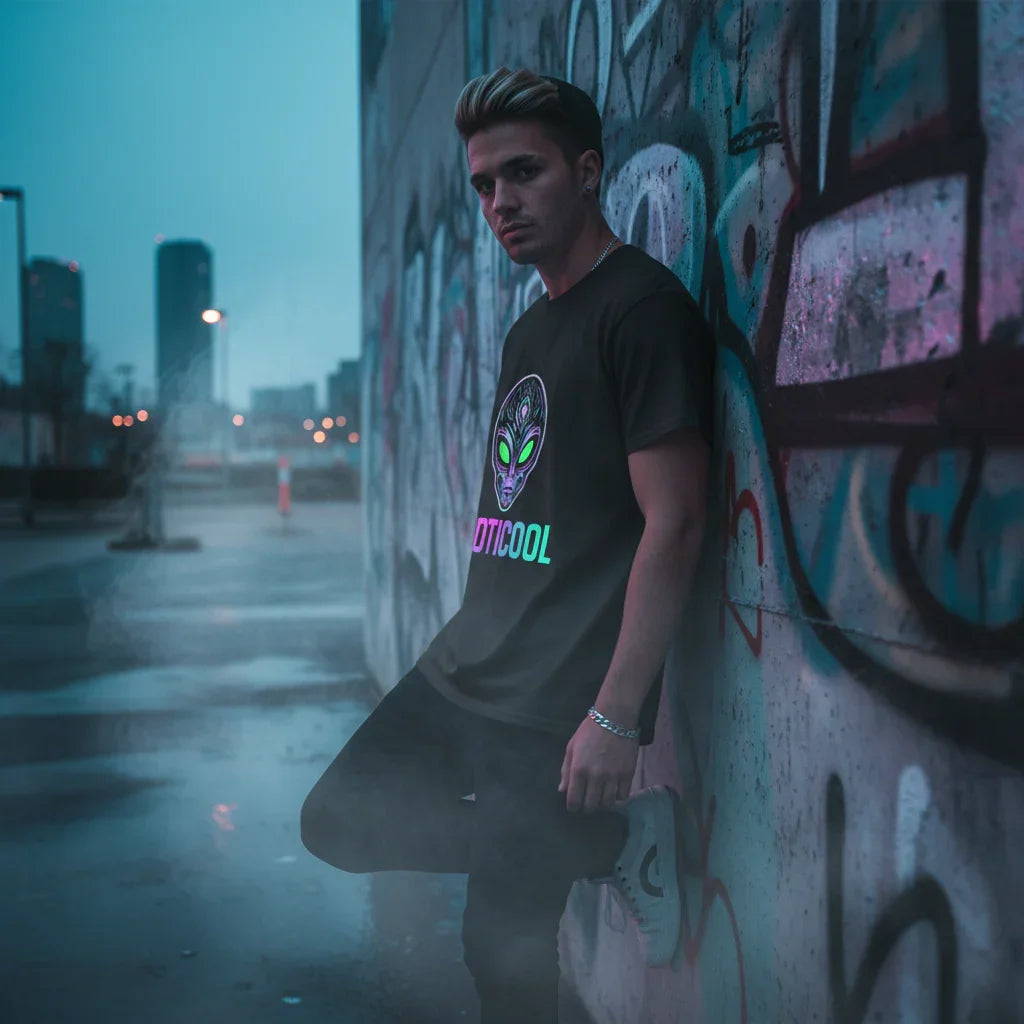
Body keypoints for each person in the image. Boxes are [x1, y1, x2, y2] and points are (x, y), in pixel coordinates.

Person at [301, 66, 715, 1024]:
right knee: (334, 821)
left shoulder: (641, 310)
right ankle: (611, 847)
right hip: (467, 660)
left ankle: (596, 843)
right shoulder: (531, 326)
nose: (500, 202)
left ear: (588, 171)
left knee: (501, 948)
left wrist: (614, 716)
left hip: (550, 693)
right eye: (483, 184)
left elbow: (678, 519)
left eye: (523, 174)